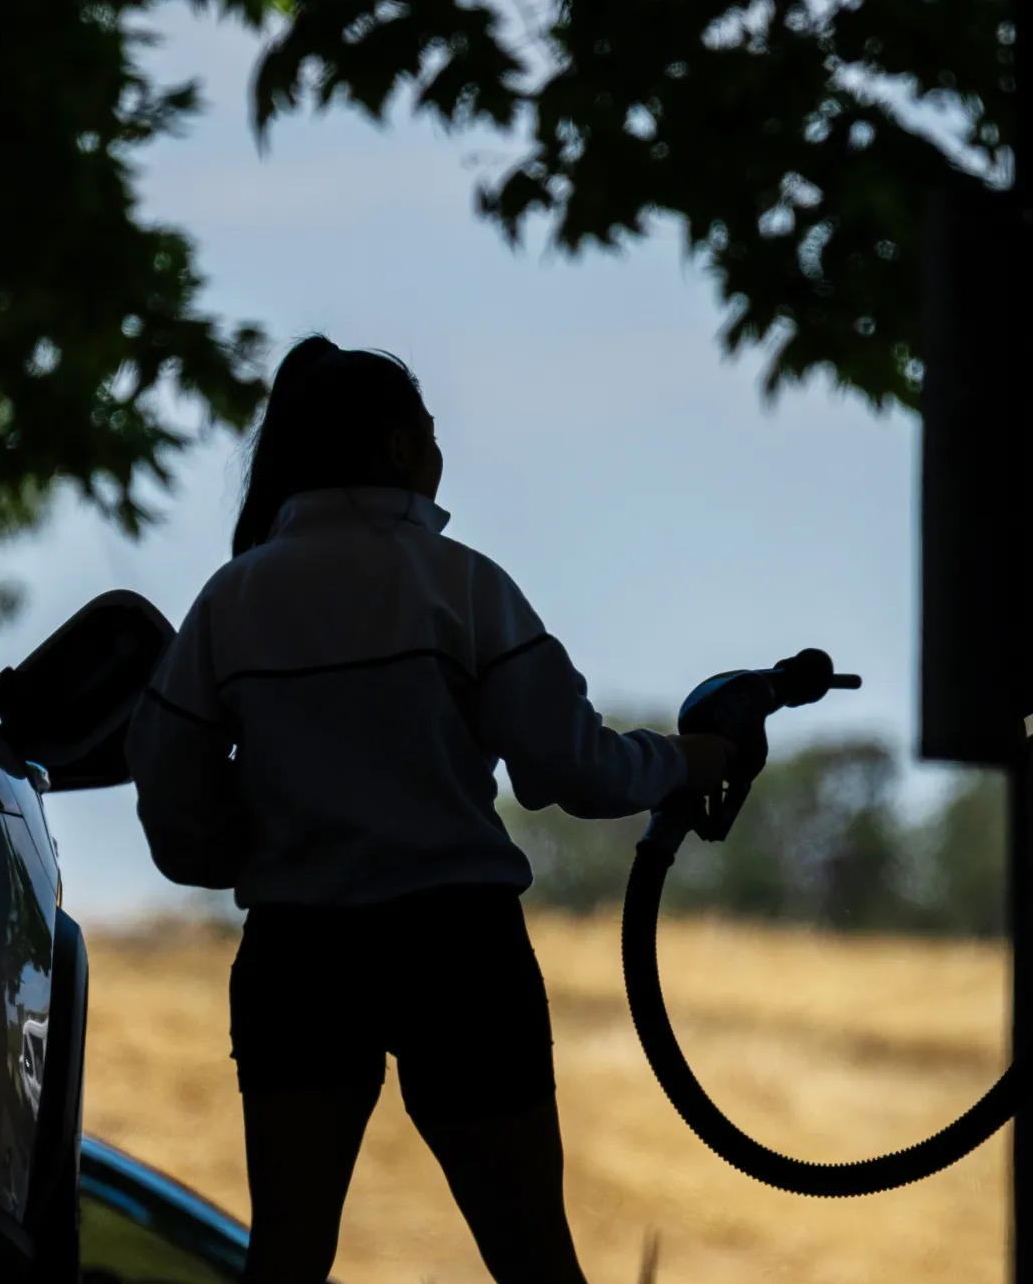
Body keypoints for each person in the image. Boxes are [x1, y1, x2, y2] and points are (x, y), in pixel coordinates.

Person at [124, 335, 735, 1284]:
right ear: (404, 448)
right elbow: (575, 765)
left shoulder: (231, 601)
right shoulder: (462, 586)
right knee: (534, 1256)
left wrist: (257, 846)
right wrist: (691, 760)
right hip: (460, 952)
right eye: (435, 434)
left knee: (285, 1257)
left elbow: (174, 810)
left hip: (298, 957)